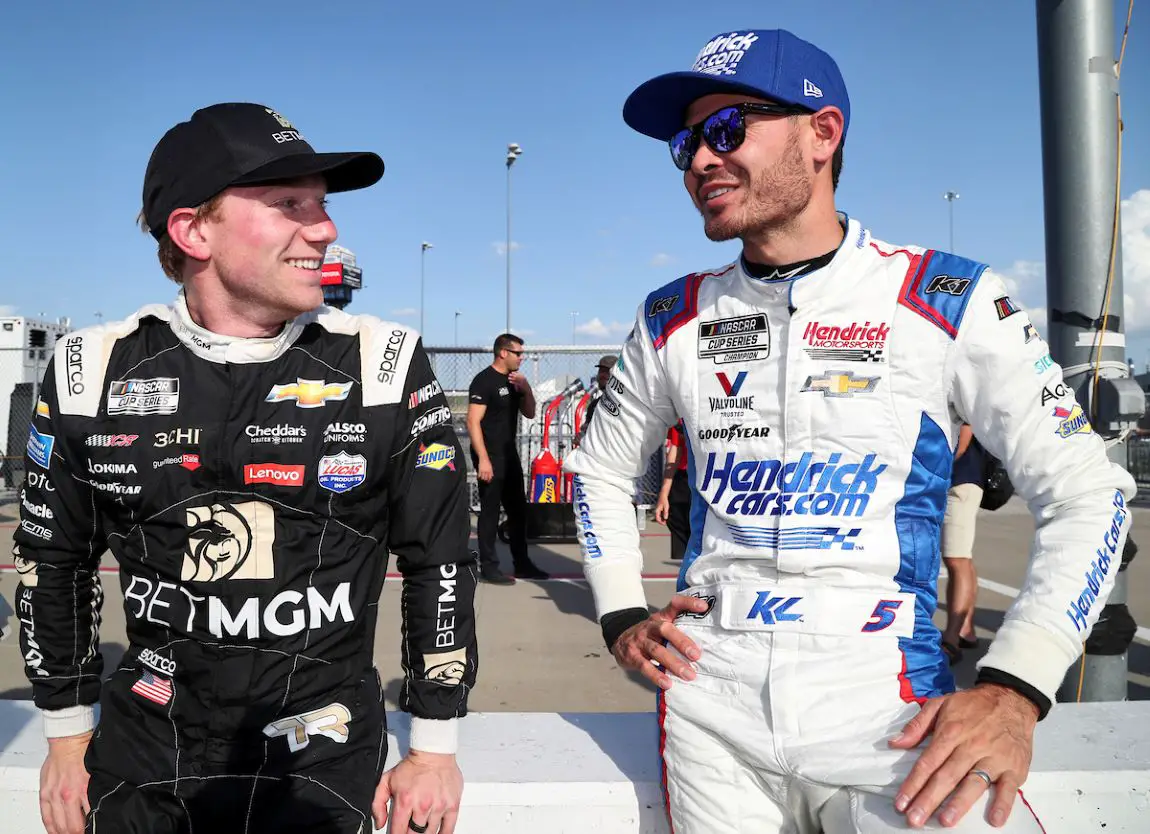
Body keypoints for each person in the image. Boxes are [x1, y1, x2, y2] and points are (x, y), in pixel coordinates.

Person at [563, 28, 1134, 833]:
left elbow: (1090, 490)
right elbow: (597, 470)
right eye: (687, 142)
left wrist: (1016, 686)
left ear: (822, 132)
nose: (698, 160)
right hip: (709, 706)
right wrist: (622, 612)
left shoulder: (946, 296)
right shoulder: (674, 315)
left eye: (727, 130)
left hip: (891, 712)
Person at [13, 102, 477, 834]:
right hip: (145, 759)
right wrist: (68, 733)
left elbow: (440, 561)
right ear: (193, 230)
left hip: (321, 758)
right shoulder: (88, 368)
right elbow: (52, 560)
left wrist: (435, 744)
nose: (324, 230)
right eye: (288, 204)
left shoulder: (383, 362)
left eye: (321, 205)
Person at [467, 334, 549, 583]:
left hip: (508, 454)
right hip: (489, 455)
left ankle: (522, 564)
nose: (521, 358)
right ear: (503, 353)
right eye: (518, 353)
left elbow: (531, 412)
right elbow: (472, 421)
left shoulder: (515, 381)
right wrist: (483, 459)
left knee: (518, 512)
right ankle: (489, 567)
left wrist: (526, 389)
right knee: (490, 511)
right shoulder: (484, 381)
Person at [942, 424, 987, 664]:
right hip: (965, 479)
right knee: (961, 558)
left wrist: (939, 469)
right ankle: (965, 628)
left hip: (958, 480)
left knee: (956, 559)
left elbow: (963, 437)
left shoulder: (960, 395)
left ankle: (952, 639)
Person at [654, 421, 690, 561]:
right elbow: (675, 450)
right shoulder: (681, 417)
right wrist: (664, 494)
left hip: (709, 480)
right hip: (684, 480)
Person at [574, 354, 618, 448]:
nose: (603, 375)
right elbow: (587, 429)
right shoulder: (594, 404)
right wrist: (583, 436)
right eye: (601, 371)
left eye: (608, 372)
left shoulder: (624, 402)